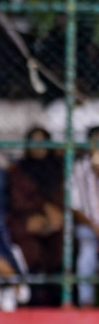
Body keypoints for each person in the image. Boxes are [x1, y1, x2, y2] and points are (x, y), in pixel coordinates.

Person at [6, 126, 65, 305]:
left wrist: (51, 216)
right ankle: (31, 298)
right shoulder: (19, 169)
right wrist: (42, 210)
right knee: (30, 246)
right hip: (26, 219)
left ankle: (58, 298)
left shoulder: (58, 169)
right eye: (34, 141)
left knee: (61, 244)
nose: (38, 146)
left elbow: (62, 200)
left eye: (42, 141)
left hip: (55, 220)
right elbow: (18, 201)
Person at [65, 125, 99, 306]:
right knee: (87, 254)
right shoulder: (78, 167)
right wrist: (94, 226)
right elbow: (74, 206)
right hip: (88, 226)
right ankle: (86, 301)